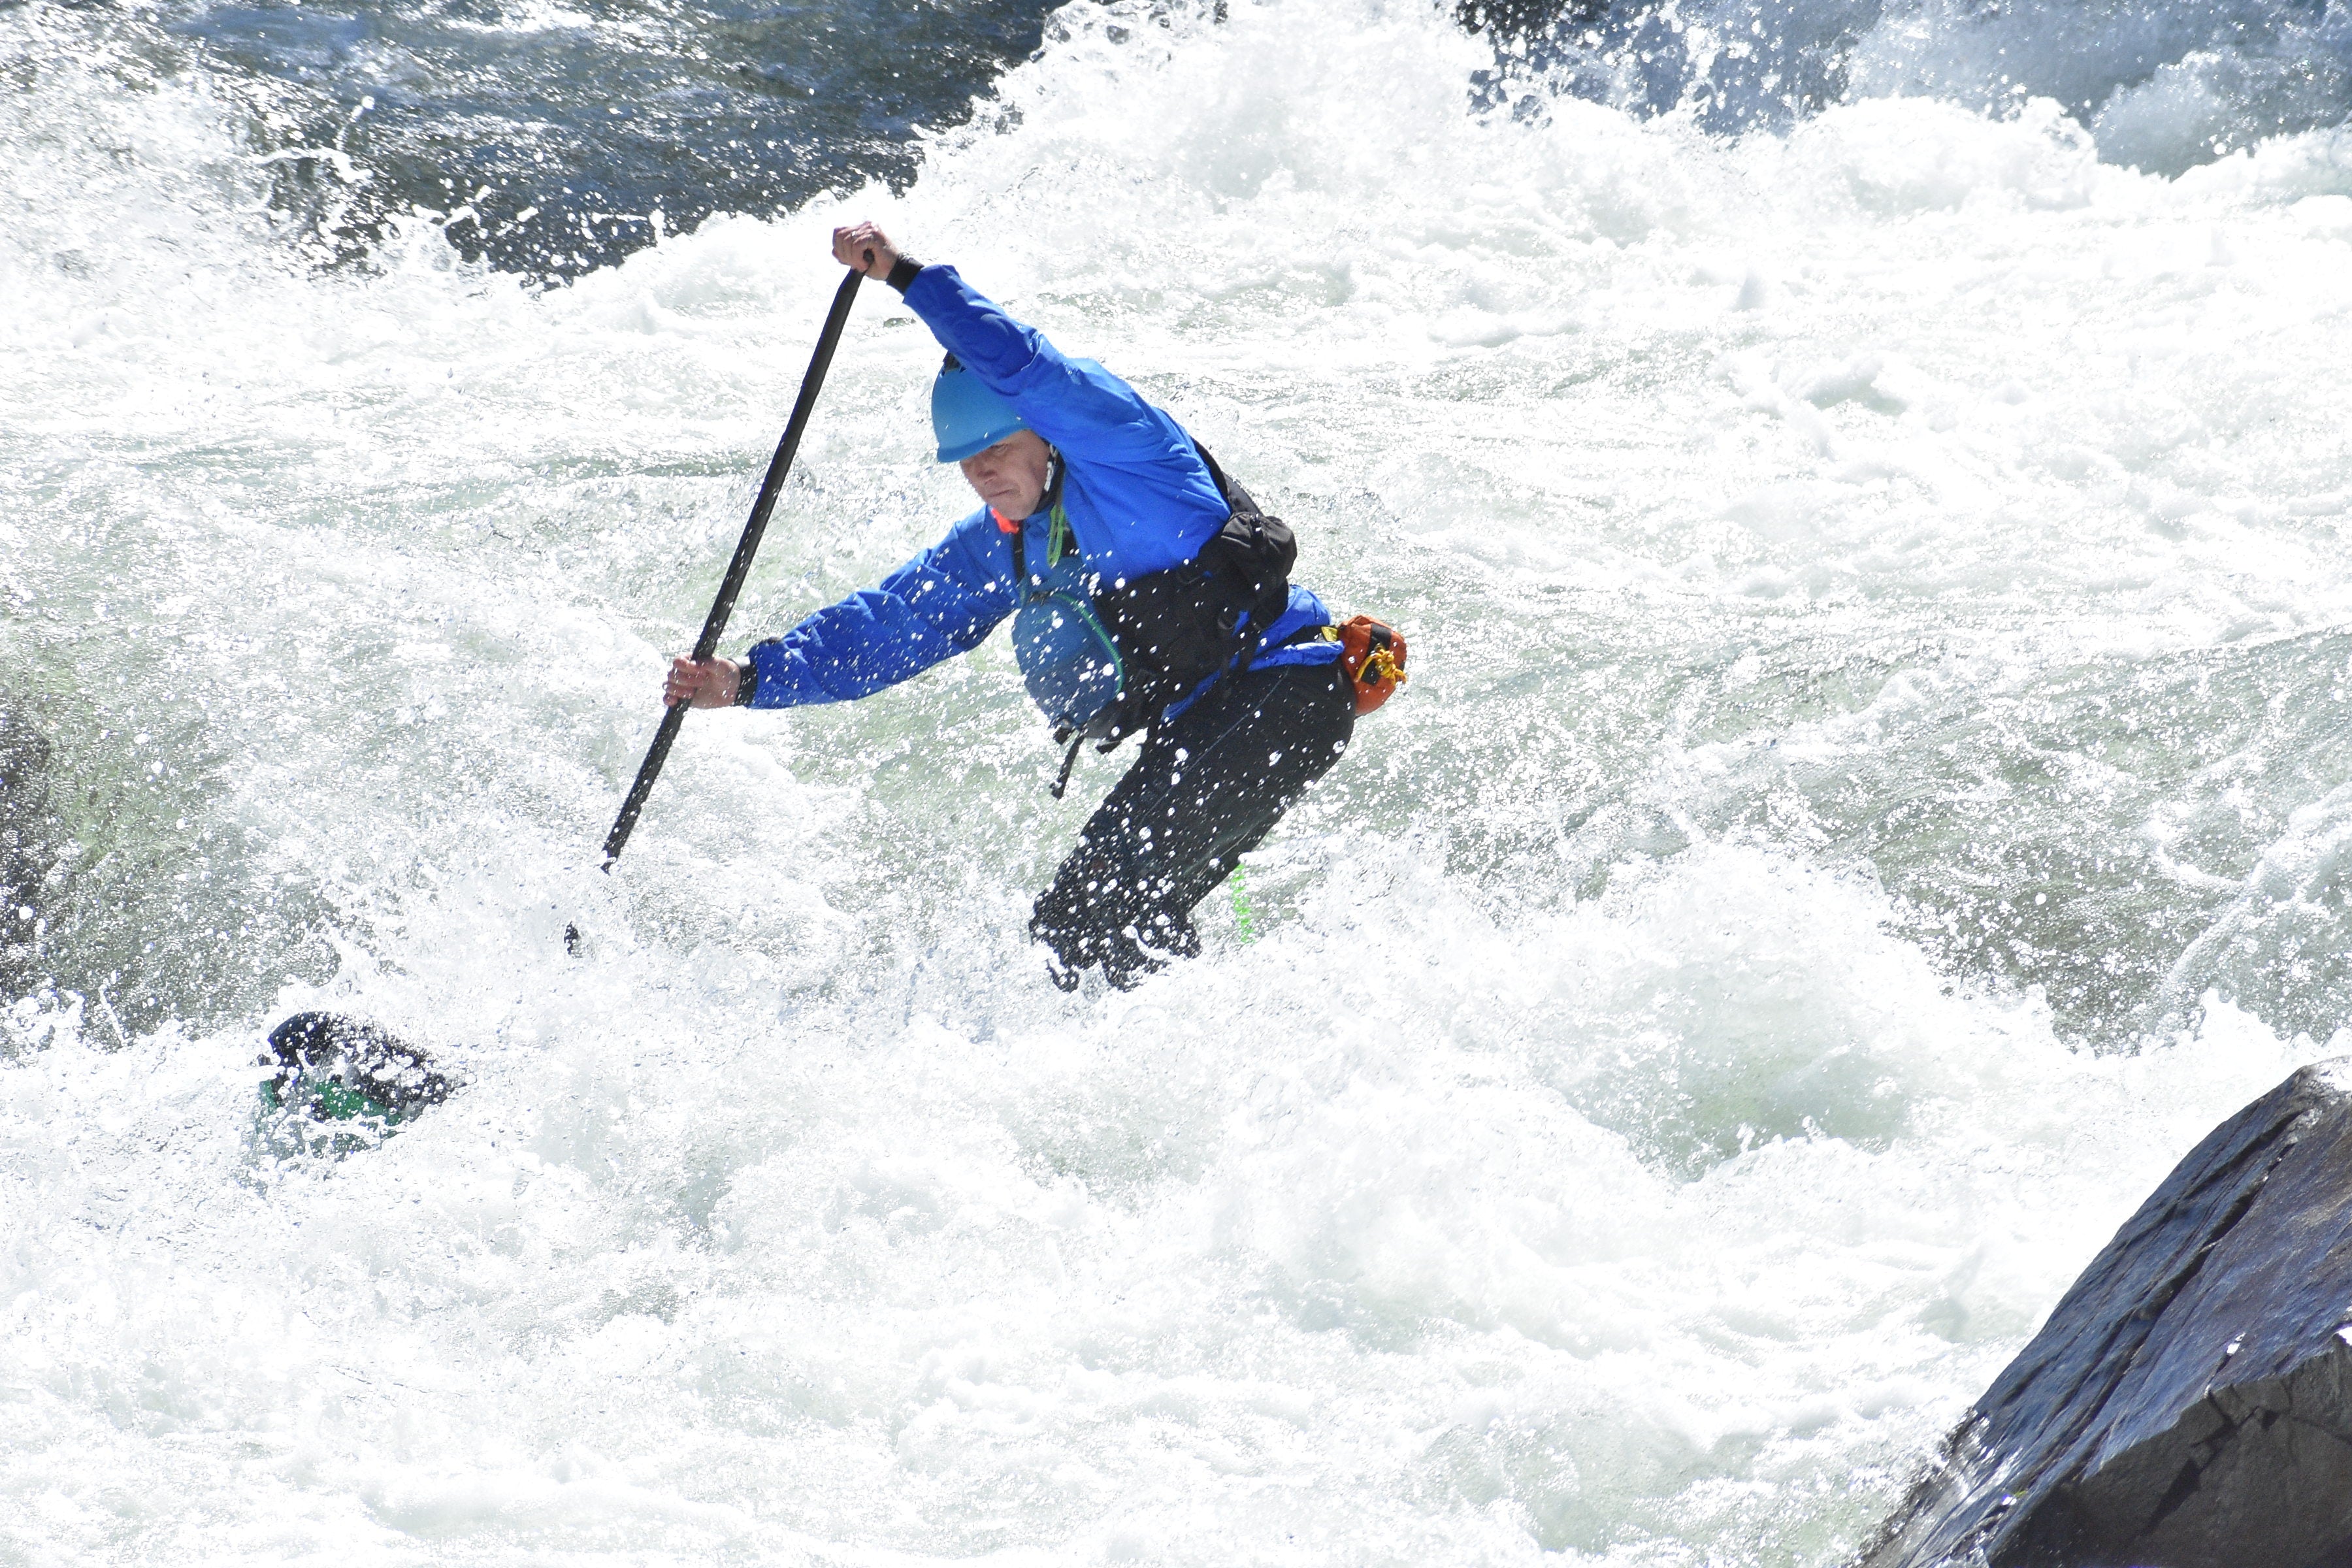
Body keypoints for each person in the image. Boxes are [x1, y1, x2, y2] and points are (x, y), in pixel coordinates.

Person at [663, 223, 1357, 988]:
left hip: (1285, 690)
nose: (983, 471)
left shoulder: (1130, 452)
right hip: (1206, 723)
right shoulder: (1011, 540)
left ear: (1049, 433)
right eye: (967, 460)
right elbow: (900, 621)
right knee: (1120, 936)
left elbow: (1027, 365)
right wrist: (750, 679)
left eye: (998, 447)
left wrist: (903, 276)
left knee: (1079, 921)